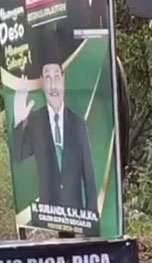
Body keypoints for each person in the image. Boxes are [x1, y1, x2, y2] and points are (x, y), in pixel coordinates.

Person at [12, 36, 98, 221]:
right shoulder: (35, 120)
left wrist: (92, 219)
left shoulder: (78, 124)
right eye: (48, 78)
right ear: (42, 81)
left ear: (63, 78)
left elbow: (89, 177)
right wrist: (19, 122)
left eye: (57, 76)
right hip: (48, 216)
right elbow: (18, 157)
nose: (53, 85)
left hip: (76, 216)